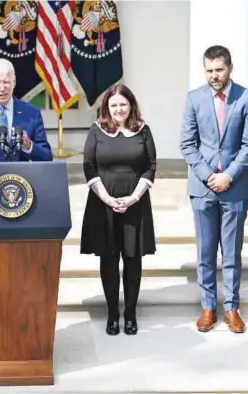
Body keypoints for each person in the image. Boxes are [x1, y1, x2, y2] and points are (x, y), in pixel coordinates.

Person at [180, 45, 248, 334]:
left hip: (235, 188)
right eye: (209, 70)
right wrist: (207, 175)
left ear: (230, 68)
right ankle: (208, 307)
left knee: (231, 252)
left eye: (219, 69)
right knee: (205, 251)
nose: (214, 75)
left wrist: (228, 176)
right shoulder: (194, 99)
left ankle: (232, 308)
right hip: (202, 189)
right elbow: (187, 144)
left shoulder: (247, 99)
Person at [80, 83, 157, 336]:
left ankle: (131, 314)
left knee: (133, 259)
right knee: (109, 259)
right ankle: (113, 313)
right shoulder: (97, 130)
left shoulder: (143, 131)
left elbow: (150, 166)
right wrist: (107, 198)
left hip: (135, 203)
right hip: (103, 204)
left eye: (123, 104)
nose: (118, 109)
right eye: (113, 105)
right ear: (106, 107)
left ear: (131, 105)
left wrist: (134, 197)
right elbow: (89, 166)